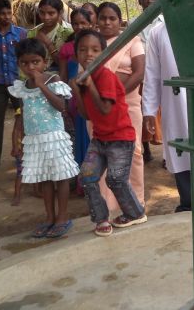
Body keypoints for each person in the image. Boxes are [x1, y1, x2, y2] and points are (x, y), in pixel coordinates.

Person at [70, 30, 147, 236]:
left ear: (105, 54)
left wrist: (88, 86)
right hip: (100, 138)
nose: (89, 54)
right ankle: (101, 219)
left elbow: (105, 108)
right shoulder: (84, 79)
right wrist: (78, 91)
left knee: (116, 180)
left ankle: (136, 213)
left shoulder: (106, 77)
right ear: (76, 54)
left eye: (95, 50)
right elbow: (87, 114)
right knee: (87, 176)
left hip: (120, 139)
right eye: (83, 50)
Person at [8, 38, 79, 238]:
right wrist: (18, 140)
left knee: (61, 177)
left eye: (35, 62)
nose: (30, 67)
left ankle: (63, 216)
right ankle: (49, 217)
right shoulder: (22, 87)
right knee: (45, 179)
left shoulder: (53, 80)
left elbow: (61, 106)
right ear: (19, 64)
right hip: (34, 139)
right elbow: (23, 114)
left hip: (54, 137)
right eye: (24, 63)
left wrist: (42, 86)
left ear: (45, 62)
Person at [97, 1, 146, 211]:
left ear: (120, 21)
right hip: (100, 109)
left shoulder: (133, 41)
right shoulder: (93, 43)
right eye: (103, 18)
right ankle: (108, 206)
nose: (107, 22)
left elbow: (138, 73)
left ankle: (136, 203)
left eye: (112, 18)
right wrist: (104, 101)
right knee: (103, 152)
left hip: (128, 106)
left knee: (133, 152)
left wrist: (114, 97)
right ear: (97, 20)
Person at [143, 22, 191, 212]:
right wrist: (149, 109)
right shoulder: (159, 31)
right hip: (174, 105)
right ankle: (188, 203)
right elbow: (152, 73)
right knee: (180, 152)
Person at [0, 0, 27, 172]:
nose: (6, 16)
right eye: (2, 14)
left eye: (9, 13)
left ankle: (27, 155)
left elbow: (27, 57)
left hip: (18, 83)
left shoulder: (21, 34)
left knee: (25, 119)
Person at [59, 8, 93, 194]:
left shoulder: (96, 44)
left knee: (93, 136)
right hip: (74, 96)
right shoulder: (66, 48)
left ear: (90, 24)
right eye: (75, 23)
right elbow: (63, 75)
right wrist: (63, 97)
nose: (79, 27)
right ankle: (84, 183)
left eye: (83, 23)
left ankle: (97, 181)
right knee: (80, 137)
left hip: (94, 93)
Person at [129, 0, 164, 163]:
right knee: (143, 109)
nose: (149, 1)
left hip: (162, 74)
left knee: (165, 112)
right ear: (140, 1)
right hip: (141, 74)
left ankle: (167, 155)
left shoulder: (165, 22)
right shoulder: (132, 24)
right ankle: (146, 149)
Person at [28, 0, 73, 73]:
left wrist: (47, 42)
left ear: (60, 12)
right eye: (42, 13)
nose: (46, 17)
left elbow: (64, 64)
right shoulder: (32, 33)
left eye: (51, 13)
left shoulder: (68, 34)